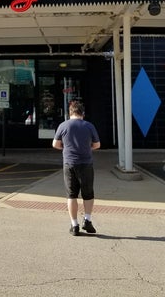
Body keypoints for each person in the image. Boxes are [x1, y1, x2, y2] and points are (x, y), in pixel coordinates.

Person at [52, 100, 101, 236]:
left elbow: (55, 144)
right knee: (88, 193)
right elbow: (97, 145)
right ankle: (87, 220)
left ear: (70, 112)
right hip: (86, 164)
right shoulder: (89, 126)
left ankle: (74, 225)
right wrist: (87, 148)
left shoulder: (63, 125)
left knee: (71, 195)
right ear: (82, 113)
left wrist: (66, 148)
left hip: (69, 164)